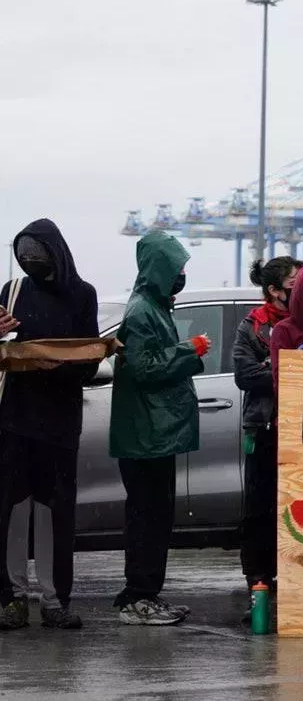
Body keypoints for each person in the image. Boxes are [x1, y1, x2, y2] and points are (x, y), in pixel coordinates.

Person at [0, 220, 99, 631]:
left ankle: (55, 600)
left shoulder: (82, 294)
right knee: (12, 510)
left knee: (55, 512)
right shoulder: (12, 291)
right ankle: (13, 598)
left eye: (36, 256)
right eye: (23, 257)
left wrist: (61, 365)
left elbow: (92, 356)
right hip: (14, 417)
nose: (29, 264)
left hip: (59, 419)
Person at [110, 230, 206, 626]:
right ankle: (139, 598)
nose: (181, 274)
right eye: (177, 267)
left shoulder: (154, 306)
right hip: (146, 437)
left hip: (154, 435)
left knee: (154, 516)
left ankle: (145, 593)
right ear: (160, 268)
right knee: (148, 517)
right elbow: (144, 367)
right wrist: (191, 350)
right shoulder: (141, 313)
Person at [230, 255, 303, 603]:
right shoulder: (253, 326)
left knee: (299, 506)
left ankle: (299, 573)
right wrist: (291, 369)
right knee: (259, 508)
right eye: (293, 286)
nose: (301, 291)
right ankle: (258, 579)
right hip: (264, 427)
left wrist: (274, 371)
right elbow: (245, 376)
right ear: (274, 291)